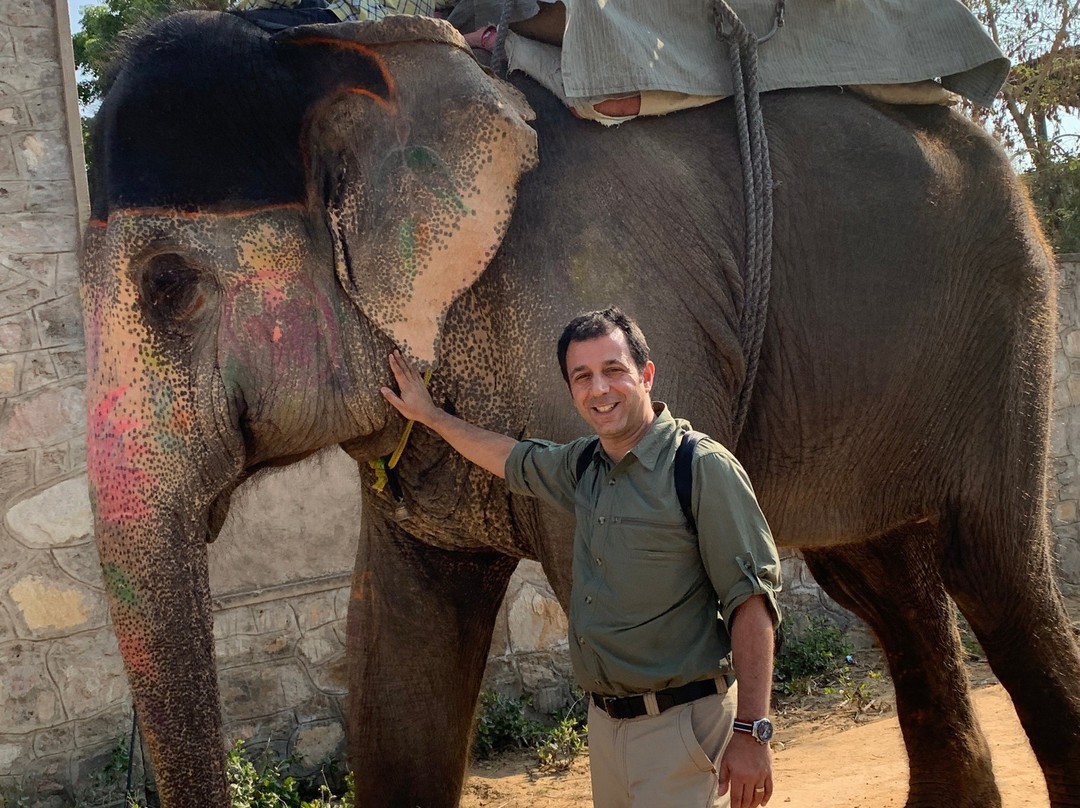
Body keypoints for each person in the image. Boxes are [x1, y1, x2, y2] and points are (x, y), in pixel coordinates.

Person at [381, 307, 781, 808]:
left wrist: (752, 730)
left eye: (614, 370)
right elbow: (509, 457)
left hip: (683, 730)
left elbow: (753, 603)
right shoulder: (584, 466)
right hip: (606, 730)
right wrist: (430, 416)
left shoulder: (698, 467)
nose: (600, 389)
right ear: (572, 391)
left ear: (646, 375)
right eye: (583, 377)